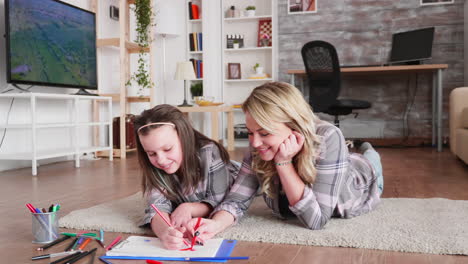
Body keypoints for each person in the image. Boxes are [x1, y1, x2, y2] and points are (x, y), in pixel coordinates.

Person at [187, 82, 383, 240]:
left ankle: (367, 148)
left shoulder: (329, 136)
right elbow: (237, 200)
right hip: (336, 164)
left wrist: (284, 163)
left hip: (363, 179)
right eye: (250, 133)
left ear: (294, 127)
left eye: (264, 133)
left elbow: (316, 221)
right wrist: (215, 224)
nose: (254, 142)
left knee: (370, 158)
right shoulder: (259, 145)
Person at [135, 104, 240, 249]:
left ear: (184, 138)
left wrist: (189, 208)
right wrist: (166, 232)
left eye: (168, 149)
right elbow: (156, 208)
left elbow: (220, 201)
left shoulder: (209, 152)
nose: (161, 160)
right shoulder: (154, 166)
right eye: (152, 153)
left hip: (233, 175)